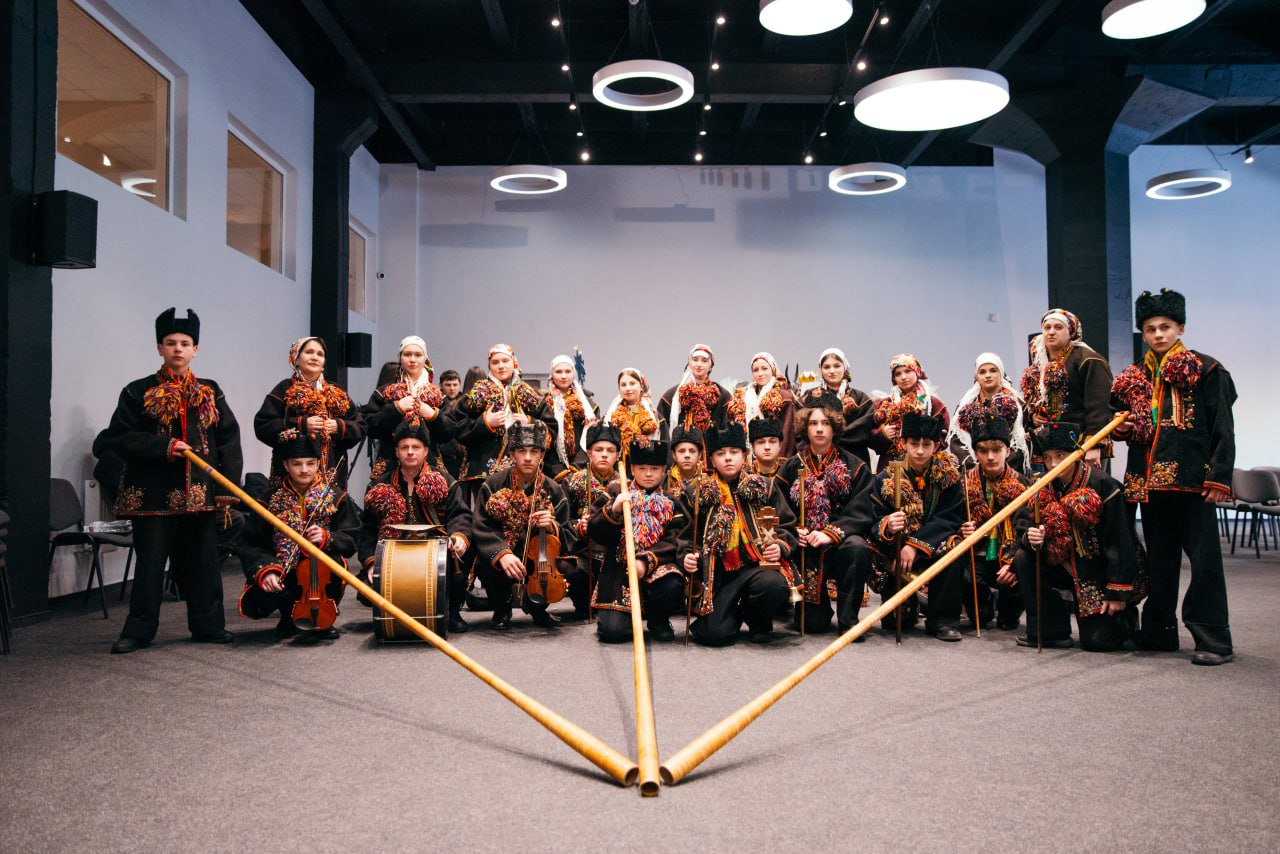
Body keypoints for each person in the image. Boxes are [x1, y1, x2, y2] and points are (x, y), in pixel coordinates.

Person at [99, 308, 242, 654]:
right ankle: (139, 631)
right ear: (159, 348)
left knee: (204, 563)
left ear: (195, 350)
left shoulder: (210, 391)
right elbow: (118, 437)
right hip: (152, 495)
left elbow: (229, 440)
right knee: (150, 566)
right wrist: (164, 446)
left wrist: (226, 489)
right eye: (171, 343)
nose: (178, 348)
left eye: (185, 343)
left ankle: (209, 625)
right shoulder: (137, 391)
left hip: (199, 495)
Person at [1111, 288, 1236, 665]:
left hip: (1194, 482)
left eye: (1165, 327)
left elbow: (1223, 427)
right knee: (1160, 562)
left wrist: (1220, 476)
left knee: (1205, 562)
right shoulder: (1135, 375)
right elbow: (1120, 418)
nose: (1158, 334)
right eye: (1150, 329)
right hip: (1149, 484)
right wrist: (1121, 428)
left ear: (1180, 328)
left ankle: (1213, 639)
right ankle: (1159, 632)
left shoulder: (1207, 369)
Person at [1014, 423, 1143, 651]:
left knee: (1097, 642)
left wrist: (1117, 591)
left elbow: (1121, 541)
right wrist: (1032, 536)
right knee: (1024, 558)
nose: (1054, 464)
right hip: (1062, 565)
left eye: (1061, 456)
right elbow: (1023, 524)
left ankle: (1126, 618)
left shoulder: (1104, 486)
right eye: (1047, 457)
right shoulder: (1041, 485)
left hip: (1097, 573)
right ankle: (1049, 630)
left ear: (1076, 454)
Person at [844, 412, 966, 642]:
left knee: (954, 546)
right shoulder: (885, 478)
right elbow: (871, 519)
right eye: (914, 444)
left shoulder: (949, 477)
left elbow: (949, 518)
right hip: (894, 554)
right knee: (897, 622)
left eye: (926, 445)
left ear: (936, 446)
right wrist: (887, 526)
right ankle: (913, 601)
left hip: (932, 547)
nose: (920, 451)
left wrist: (915, 546)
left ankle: (943, 620)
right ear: (903, 444)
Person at [677, 422, 798, 646]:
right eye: (721, 454)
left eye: (734, 452)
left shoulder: (764, 487)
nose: (728, 458)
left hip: (757, 566)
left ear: (744, 455)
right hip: (719, 574)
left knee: (773, 585)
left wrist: (779, 545)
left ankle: (758, 621)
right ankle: (732, 613)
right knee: (714, 635)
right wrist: (687, 555)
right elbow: (685, 536)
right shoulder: (697, 493)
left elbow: (787, 525)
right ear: (711, 460)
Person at [237, 431, 360, 640]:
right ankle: (288, 616)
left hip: (322, 572)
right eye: (296, 464)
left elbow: (352, 538)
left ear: (318, 464)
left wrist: (327, 537)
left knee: (333, 564)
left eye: (310, 463)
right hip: (284, 568)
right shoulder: (270, 500)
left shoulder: (336, 497)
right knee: (268, 582)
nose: (304, 470)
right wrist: (266, 570)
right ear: (286, 465)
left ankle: (323, 614)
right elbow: (250, 543)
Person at [359, 421, 473, 633]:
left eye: (416, 447)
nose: (410, 452)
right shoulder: (379, 485)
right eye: (405, 447)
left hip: (435, 554)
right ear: (397, 451)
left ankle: (452, 611)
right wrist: (371, 564)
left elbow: (460, 515)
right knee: (365, 591)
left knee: (463, 554)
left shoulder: (444, 480)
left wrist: (458, 537)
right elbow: (367, 530)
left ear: (426, 451)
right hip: (396, 556)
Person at [777, 406, 875, 634]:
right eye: (813, 423)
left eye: (825, 423)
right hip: (806, 547)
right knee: (813, 625)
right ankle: (812, 611)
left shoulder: (855, 465)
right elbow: (779, 506)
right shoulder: (791, 466)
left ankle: (849, 621)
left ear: (835, 428)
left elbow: (862, 509)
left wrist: (830, 533)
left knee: (857, 547)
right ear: (805, 428)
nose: (819, 429)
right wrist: (794, 529)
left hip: (841, 544)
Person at [471, 422, 572, 629]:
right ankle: (502, 608)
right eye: (521, 451)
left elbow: (568, 531)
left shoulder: (553, 489)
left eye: (534, 451)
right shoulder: (493, 484)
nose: (527, 457)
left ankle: (537, 606)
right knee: (485, 562)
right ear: (512, 454)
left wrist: (552, 527)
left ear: (542, 455)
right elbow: (482, 526)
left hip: (539, 557)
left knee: (560, 565)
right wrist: (502, 553)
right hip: (506, 552)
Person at [588, 440, 688, 643]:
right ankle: (620, 618)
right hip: (620, 569)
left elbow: (675, 540)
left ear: (664, 470)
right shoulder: (616, 492)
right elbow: (594, 531)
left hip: (657, 566)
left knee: (672, 583)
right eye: (642, 468)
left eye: (654, 469)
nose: (648, 474)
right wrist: (613, 510)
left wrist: (645, 560)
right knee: (612, 633)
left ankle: (658, 619)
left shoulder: (672, 502)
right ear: (632, 469)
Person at [254, 337, 364, 489]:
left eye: (320, 354)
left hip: (331, 478)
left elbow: (360, 427)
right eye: (309, 352)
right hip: (289, 479)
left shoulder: (337, 393)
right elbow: (263, 426)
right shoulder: (284, 389)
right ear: (296, 359)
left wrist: (339, 426)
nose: (314, 357)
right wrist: (301, 425)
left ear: (324, 362)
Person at [445, 344, 554, 492]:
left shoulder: (528, 394)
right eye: (495, 362)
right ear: (489, 366)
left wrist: (529, 423)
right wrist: (485, 423)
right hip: (483, 473)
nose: (501, 366)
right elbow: (456, 427)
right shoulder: (478, 393)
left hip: (525, 472)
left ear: (514, 362)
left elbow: (551, 427)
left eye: (505, 361)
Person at [957, 413, 1029, 631]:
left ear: (1007, 451)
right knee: (979, 614)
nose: (990, 457)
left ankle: (1009, 608)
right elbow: (950, 519)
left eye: (996, 450)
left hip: (1009, 555)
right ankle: (984, 602)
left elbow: (1027, 529)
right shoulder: (963, 483)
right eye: (983, 451)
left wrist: (1013, 562)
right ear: (975, 453)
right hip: (976, 555)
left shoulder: (1023, 484)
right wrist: (961, 529)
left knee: (1008, 622)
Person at [1020, 309, 1114, 467]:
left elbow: (1100, 405)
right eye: (1047, 327)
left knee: (1083, 483)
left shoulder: (1088, 359)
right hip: (1048, 445)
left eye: (1058, 327)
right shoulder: (1039, 363)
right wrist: (1034, 418)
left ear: (1071, 332)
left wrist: (1093, 444)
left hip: (1081, 443)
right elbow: (1033, 402)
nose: (1051, 332)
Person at [364, 336, 451, 479]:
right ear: (400, 357)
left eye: (418, 355)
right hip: (390, 467)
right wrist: (396, 409)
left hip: (430, 469)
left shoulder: (437, 395)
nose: (412, 359)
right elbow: (369, 426)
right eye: (407, 354)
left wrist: (433, 415)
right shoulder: (385, 392)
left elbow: (450, 432)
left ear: (425, 359)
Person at [560, 424, 621, 620]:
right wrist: (580, 526)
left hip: (614, 554)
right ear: (589, 453)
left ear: (618, 455)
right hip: (584, 552)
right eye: (598, 450)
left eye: (610, 450)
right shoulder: (572, 482)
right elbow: (562, 520)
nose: (604, 455)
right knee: (570, 567)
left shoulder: (625, 485)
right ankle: (583, 605)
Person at [946, 352, 1029, 472]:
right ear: (977, 376)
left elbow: (1021, 442)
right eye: (982, 372)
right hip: (973, 472)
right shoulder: (965, 405)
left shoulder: (1018, 404)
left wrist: (1000, 467)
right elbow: (956, 441)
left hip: (1010, 471)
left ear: (1001, 373)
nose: (988, 375)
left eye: (993, 371)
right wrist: (975, 467)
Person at [871, 354, 950, 472]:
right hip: (890, 466)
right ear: (894, 379)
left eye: (908, 371)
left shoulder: (934, 404)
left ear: (917, 372)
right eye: (898, 374)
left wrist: (922, 442)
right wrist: (883, 433)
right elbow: (869, 435)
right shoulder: (884, 405)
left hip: (925, 465)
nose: (903, 377)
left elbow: (943, 435)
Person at [799, 348, 876, 465]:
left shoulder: (860, 399)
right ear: (821, 370)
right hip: (817, 460)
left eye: (837, 366)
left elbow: (863, 431)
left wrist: (828, 438)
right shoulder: (810, 397)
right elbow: (800, 431)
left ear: (844, 367)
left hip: (854, 460)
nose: (832, 371)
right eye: (827, 367)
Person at [727, 353, 797, 456]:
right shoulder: (742, 399)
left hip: (775, 456)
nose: (760, 374)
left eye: (764, 369)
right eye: (756, 370)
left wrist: (782, 461)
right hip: (747, 456)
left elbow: (787, 432)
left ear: (772, 369)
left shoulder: (784, 397)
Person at [657, 344, 730, 441]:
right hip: (681, 448)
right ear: (689, 363)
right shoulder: (672, 396)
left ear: (711, 366)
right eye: (695, 360)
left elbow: (728, 431)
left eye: (704, 361)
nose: (699, 364)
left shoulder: (722, 396)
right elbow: (662, 432)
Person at [544, 353, 598, 480]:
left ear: (573, 373)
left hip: (582, 468)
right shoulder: (544, 404)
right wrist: (559, 471)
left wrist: (577, 467)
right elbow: (544, 440)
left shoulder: (589, 406)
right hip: (552, 470)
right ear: (552, 374)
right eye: (558, 372)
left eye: (568, 371)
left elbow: (592, 437)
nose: (563, 376)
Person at [605, 368, 665, 451]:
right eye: (623, 385)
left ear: (641, 387)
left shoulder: (656, 418)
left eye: (632, 383)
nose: (628, 388)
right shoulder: (611, 417)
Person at [437, 369, 465, 479]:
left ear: (460, 385)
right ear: (441, 385)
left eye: (455, 384)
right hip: (443, 454)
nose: (452, 388)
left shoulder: (466, 402)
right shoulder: (436, 403)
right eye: (448, 385)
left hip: (463, 456)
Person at [666, 425, 705, 494]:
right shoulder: (664, 482)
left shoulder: (708, 483)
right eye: (681, 451)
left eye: (692, 451)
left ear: (699, 454)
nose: (687, 455)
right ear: (674, 454)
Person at [747, 417, 786, 482]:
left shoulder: (788, 474)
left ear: (780, 445)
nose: (767, 447)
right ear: (753, 447)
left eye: (772, 442)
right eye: (761, 442)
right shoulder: (744, 477)